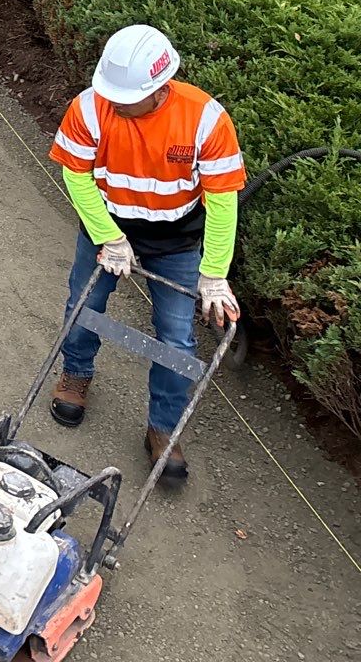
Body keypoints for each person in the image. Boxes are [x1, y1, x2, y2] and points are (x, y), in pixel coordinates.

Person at [46, 24, 245, 481]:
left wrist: (213, 275)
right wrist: (108, 236)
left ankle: (164, 429)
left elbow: (222, 201)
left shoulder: (206, 119)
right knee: (84, 303)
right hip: (109, 225)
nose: (115, 103)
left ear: (158, 89)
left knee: (177, 339)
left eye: (125, 98)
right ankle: (76, 375)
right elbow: (76, 175)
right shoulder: (91, 107)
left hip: (176, 239)